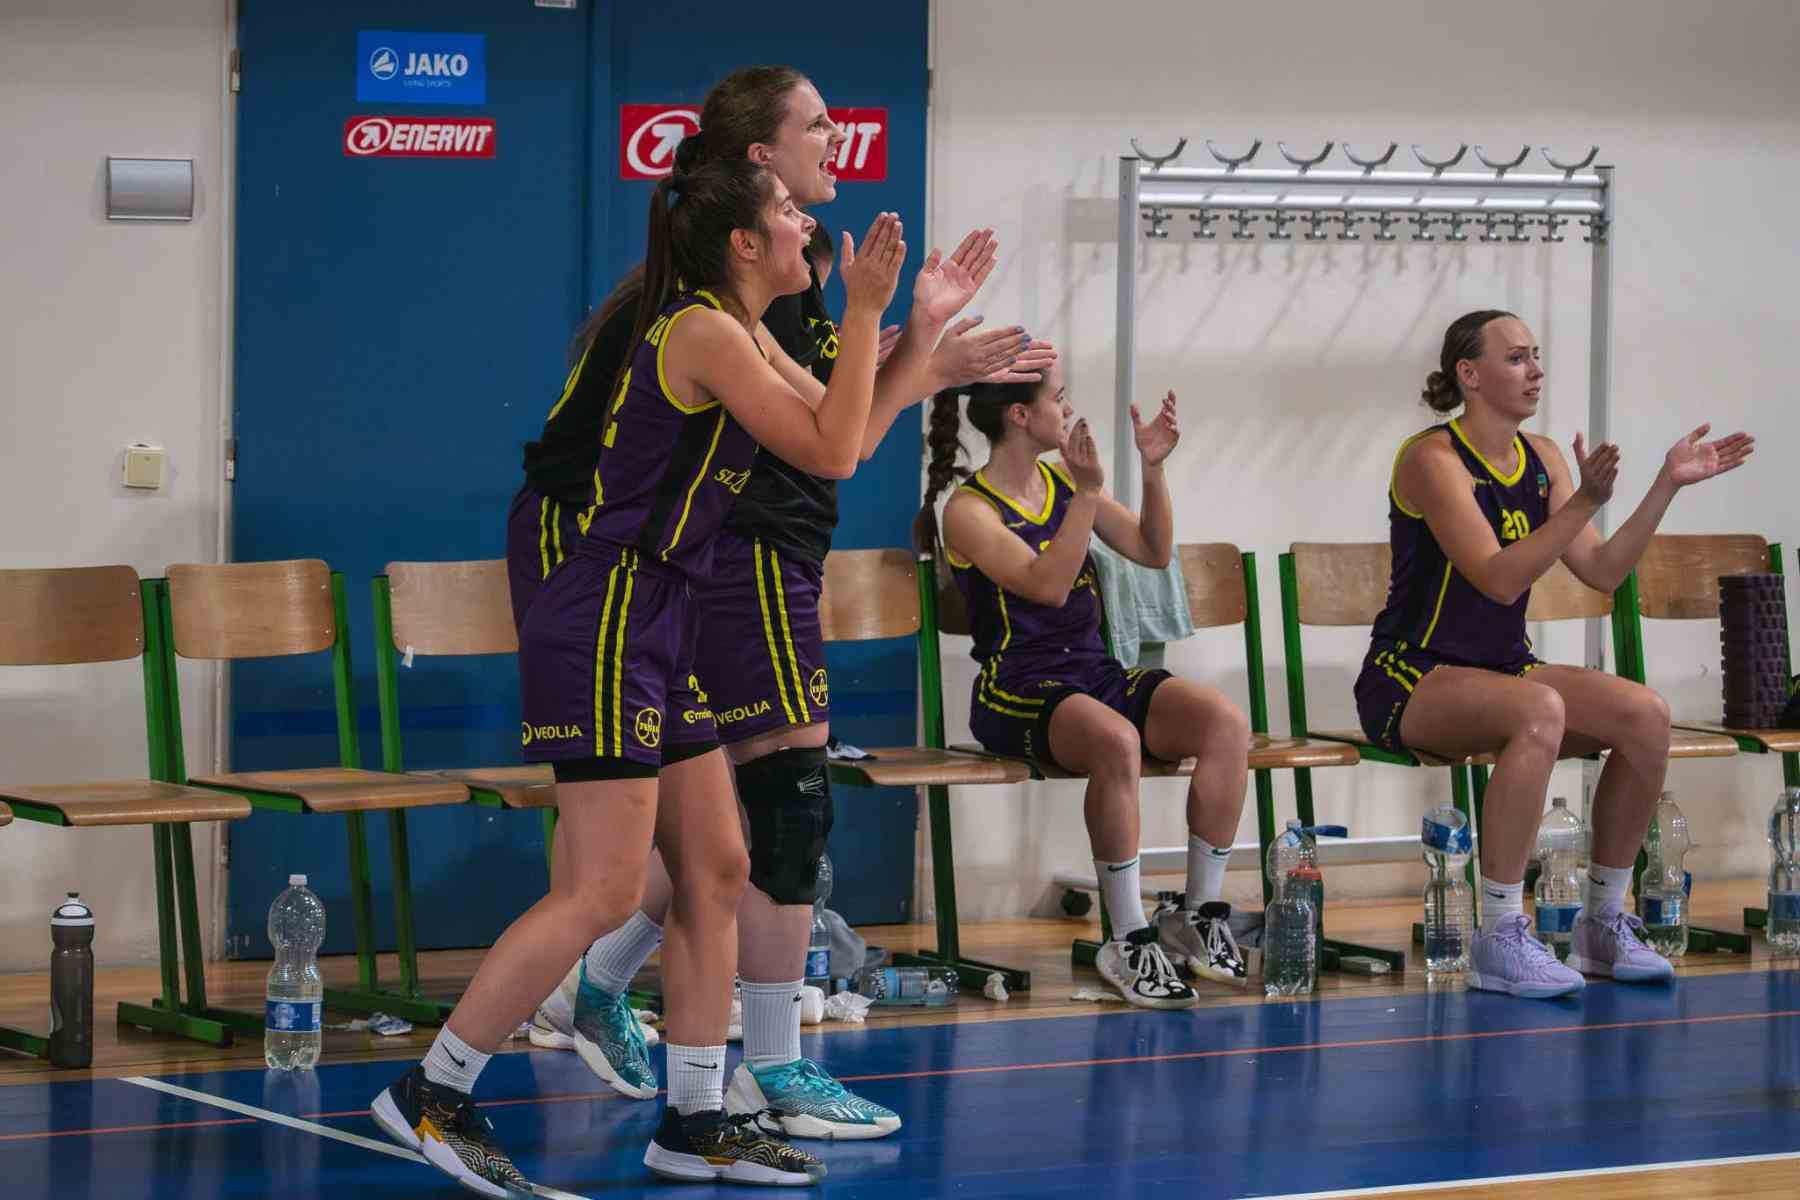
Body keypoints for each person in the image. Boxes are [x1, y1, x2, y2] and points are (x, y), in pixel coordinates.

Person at [516, 64, 1045, 1141]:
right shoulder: (738, 297)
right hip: (726, 553)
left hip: (751, 553)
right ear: (760, 162)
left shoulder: (771, 283)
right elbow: (832, 440)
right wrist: (906, 343)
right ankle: (765, 1065)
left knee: (725, 836)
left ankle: (616, 1002)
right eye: (815, 124)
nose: (835, 137)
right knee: (783, 804)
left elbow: (848, 424)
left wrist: (921, 347)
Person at [371, 151, 910, 1193]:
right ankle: (434, 1088)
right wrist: (866, 308)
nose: (807, 222)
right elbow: (833, 450)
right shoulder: (705, 330)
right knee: (604, 888)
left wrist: (890, 334)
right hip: (610, 614)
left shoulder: (742, 326)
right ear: (744, 242)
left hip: (662, 615)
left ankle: (696, 1116)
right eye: (787, 209)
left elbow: (842, 426)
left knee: (716, 866)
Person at [1358, 308, 1754, 998]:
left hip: (1505, 669)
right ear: (1469, 374)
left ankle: (1602, 922)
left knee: (1645, 714)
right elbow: (1498, 577)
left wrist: (1664, 484)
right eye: (1516, 358)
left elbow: (1602, 570)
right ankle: (1500, 937)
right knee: (1537, 709)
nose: (1535, 370)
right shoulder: (1431, 459)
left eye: (1536, 355)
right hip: (1412, 673)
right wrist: (1583, 503)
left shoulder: (1542, 457)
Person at [916, 366, 1254, 1009]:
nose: (1069, 410)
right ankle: (1126, 938)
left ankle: (1199, 914)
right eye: (1059, 398)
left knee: (1225, 724)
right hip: (1016, 684)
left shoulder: (1065, 482)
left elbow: (1153, 550)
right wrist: (1089, 494)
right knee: (1117, 740)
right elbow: (1046, 585)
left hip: (1094, 671)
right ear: (1019, 415)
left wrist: (1152, 469)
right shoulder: (968, 510)